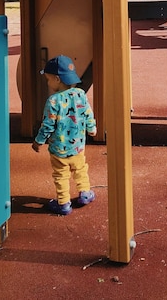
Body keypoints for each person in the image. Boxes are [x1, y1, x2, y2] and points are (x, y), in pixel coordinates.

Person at [32, 55, 97, 215]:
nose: (48, 83)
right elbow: (88, 114)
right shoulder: (81, 94)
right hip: (78, 146)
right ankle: (85, 193)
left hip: (59, 149)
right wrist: (92, 129)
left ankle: (63, 203)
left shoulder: (53, 101)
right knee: (80, 168)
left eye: (48, 79)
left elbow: (47, 125)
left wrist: (38, 141)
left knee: (61, 175)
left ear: (57, 79)